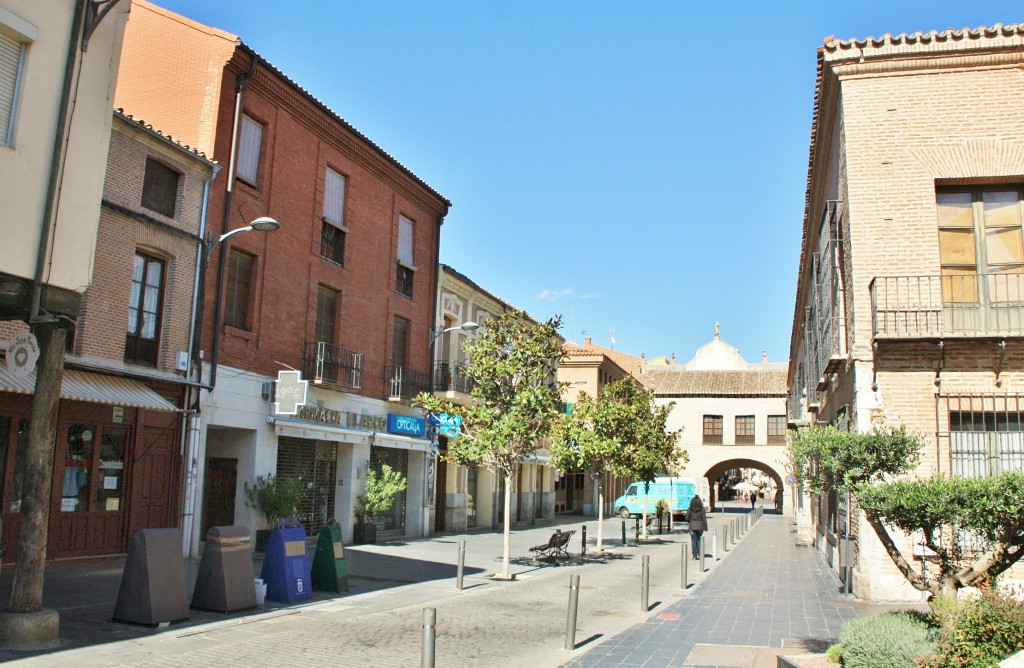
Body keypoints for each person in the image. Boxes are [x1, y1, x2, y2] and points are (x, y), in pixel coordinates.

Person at [685, 495, 707, 560]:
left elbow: (686, 518)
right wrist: (705, 527)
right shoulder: (702, 510)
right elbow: (704, 519)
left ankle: (694, 555)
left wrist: (690, 521)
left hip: (692, 526)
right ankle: (699, 553)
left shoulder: (689, 509)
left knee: (693, 540)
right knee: (698, 540)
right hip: (700, 527)